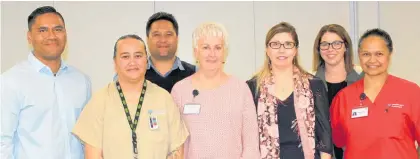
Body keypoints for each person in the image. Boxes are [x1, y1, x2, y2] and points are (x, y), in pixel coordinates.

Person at [72, 35, 189, 159]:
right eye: (125, 57)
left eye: (138, 56)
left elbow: (177, 151)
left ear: (146, 61)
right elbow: (92, 154)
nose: (132, 62)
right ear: (115, 62)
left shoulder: (164, 98)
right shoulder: (100, 100)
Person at [1, 6, 92, 159]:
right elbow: (3, 141)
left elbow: (89, 137)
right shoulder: (10, 81)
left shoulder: (81, 81)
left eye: (58, 29)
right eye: (42, 30)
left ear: (65, 34)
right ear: (29, 37)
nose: (51, 36)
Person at [171, 22, 260, 158]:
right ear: (196, 52)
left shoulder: (240, 89)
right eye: (205, 47)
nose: (212, 54)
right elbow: (175, 144)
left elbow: (251, 144)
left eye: (218, 48)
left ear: (224, 52)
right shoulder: (180, 90)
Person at [247, 22, 333, 159]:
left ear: (295, 50)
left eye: (288, 44)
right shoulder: (252, 87)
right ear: (267, 50)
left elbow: (324, 137)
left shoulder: (314, 85)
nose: (281, 50)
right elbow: (247, 138)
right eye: (275, 44)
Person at [330, 28, 420, 159]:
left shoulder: (411, 92)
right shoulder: (343, 98)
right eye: (366, 54)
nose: (372, 60)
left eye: (379, 54)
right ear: (359, 55)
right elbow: (339, 141)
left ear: (390, 54)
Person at [312, 24, 362, 159]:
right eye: (325, 44)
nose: (330, 49)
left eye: (336, 43)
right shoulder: (309, 83)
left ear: (346, 46)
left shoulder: (362, 78)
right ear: (319, 49)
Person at [114, 12, 195, 92]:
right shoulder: (129, 73)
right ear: (147, 39)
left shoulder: (195, 73)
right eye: (156, 34)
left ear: (177, 38)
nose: (163, 40)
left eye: (168, 34)